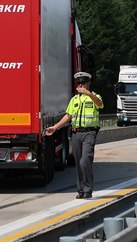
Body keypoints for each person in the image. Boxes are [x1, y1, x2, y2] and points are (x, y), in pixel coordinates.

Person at [45, 71, 103, 199]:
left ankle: (88, 189)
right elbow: (68, 116)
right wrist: (55, 127)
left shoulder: (95, 96)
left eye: (83, 83)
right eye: (79, 83)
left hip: (89, 132)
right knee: (78, 163)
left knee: (85, 161)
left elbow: (99, 104)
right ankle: (81, 190)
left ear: (88, 83)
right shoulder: (74, 100)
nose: (80, 85)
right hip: (76, 134)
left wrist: (88, 93)